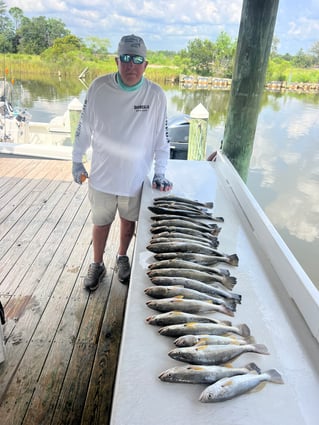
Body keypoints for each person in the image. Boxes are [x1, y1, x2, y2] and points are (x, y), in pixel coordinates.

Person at [72, 34, 172, 290]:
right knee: (101, 222)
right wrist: (77, 160)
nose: (131, 66)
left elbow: (163, 138)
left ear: (145, 65)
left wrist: (160, 173)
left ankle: (122, 257)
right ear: (117, 60)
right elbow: (83, 128)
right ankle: (97, 264)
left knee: (128, 222)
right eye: (126, 59)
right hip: (102, 175)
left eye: (137, 60)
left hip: (135, 178)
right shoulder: (98, 87)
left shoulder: (156, 95)